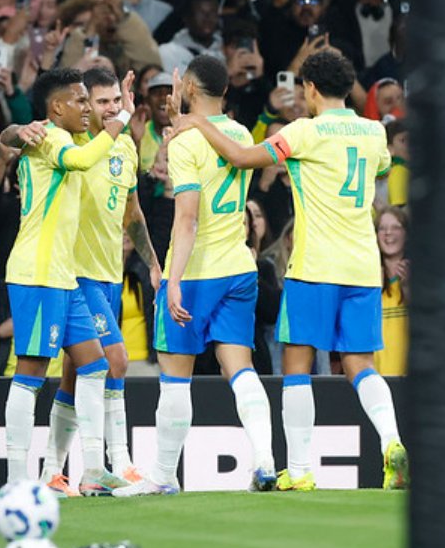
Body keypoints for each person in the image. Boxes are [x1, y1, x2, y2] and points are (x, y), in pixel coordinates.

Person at [171, 50, 407, 492]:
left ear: (311, 89)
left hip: (315, 265)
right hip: (363, 268)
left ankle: (298, 470)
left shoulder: (304, 131)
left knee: (297, 365)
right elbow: (380, 168)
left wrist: (198, 122)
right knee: (360, 362)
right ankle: (392, 442)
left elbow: (241, 157)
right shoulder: (375, 132)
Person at [114, 55, 277, 497]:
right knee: (239, 368)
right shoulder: (241, 134)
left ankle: (163, 476)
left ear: (186, 85)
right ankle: (264, 460)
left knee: (175, 376)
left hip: (198, 271)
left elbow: (185, 219)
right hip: (239, 268)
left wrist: (174, 280)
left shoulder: (185, 143)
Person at [0, 67, 135, 495]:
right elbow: (81, 160)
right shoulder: (54, 139)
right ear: (56, 108)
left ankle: (92, 469)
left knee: (95, 364)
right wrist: (122, 117)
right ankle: (18, 479)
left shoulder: (63, 136)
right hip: (37, 272)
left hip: (64, 276)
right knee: (32, 370)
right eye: (80, 101)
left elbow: (10, 138)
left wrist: (13, 131)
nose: (89, 109)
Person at [39, 68, 161, 496]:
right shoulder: (71, 143)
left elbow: (132, 211)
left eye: (115, 101)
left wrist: (153, 263)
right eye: (101, 101)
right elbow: (17, 142)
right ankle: (119, 463)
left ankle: (53, 473)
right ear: (83, 104)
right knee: (117, 360)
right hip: (77, 273)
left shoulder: (125, 146)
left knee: (77, 374)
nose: (109, 108)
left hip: (110, 272)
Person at [375, 206, 408, 377]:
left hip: (410, 383)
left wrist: (409, 287)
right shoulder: (367, 279)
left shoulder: (421, 277)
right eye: (382, 228)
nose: (388, 233)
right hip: (375, 382)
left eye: (395, 227)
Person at [157, 0, 222, 75]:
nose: (207, 18)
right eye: (201, 13)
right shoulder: (168, 53)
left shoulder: (227, 52)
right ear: (186, 18)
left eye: (212, 13)